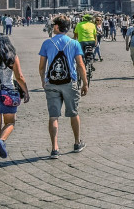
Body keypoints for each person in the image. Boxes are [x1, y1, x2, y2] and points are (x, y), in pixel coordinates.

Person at [38, 15, 88, 159]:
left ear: (57, 27)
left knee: (53, 116)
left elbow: (42, 66)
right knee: (73, 113)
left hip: (52, 83)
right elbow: (80, 65)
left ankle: (54, 148)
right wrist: (85, 83)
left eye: (54, 25)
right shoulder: (74, 43)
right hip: (69, 83)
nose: (52, 27)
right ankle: (77, 142)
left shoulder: (47, 44)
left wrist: (43, 80)